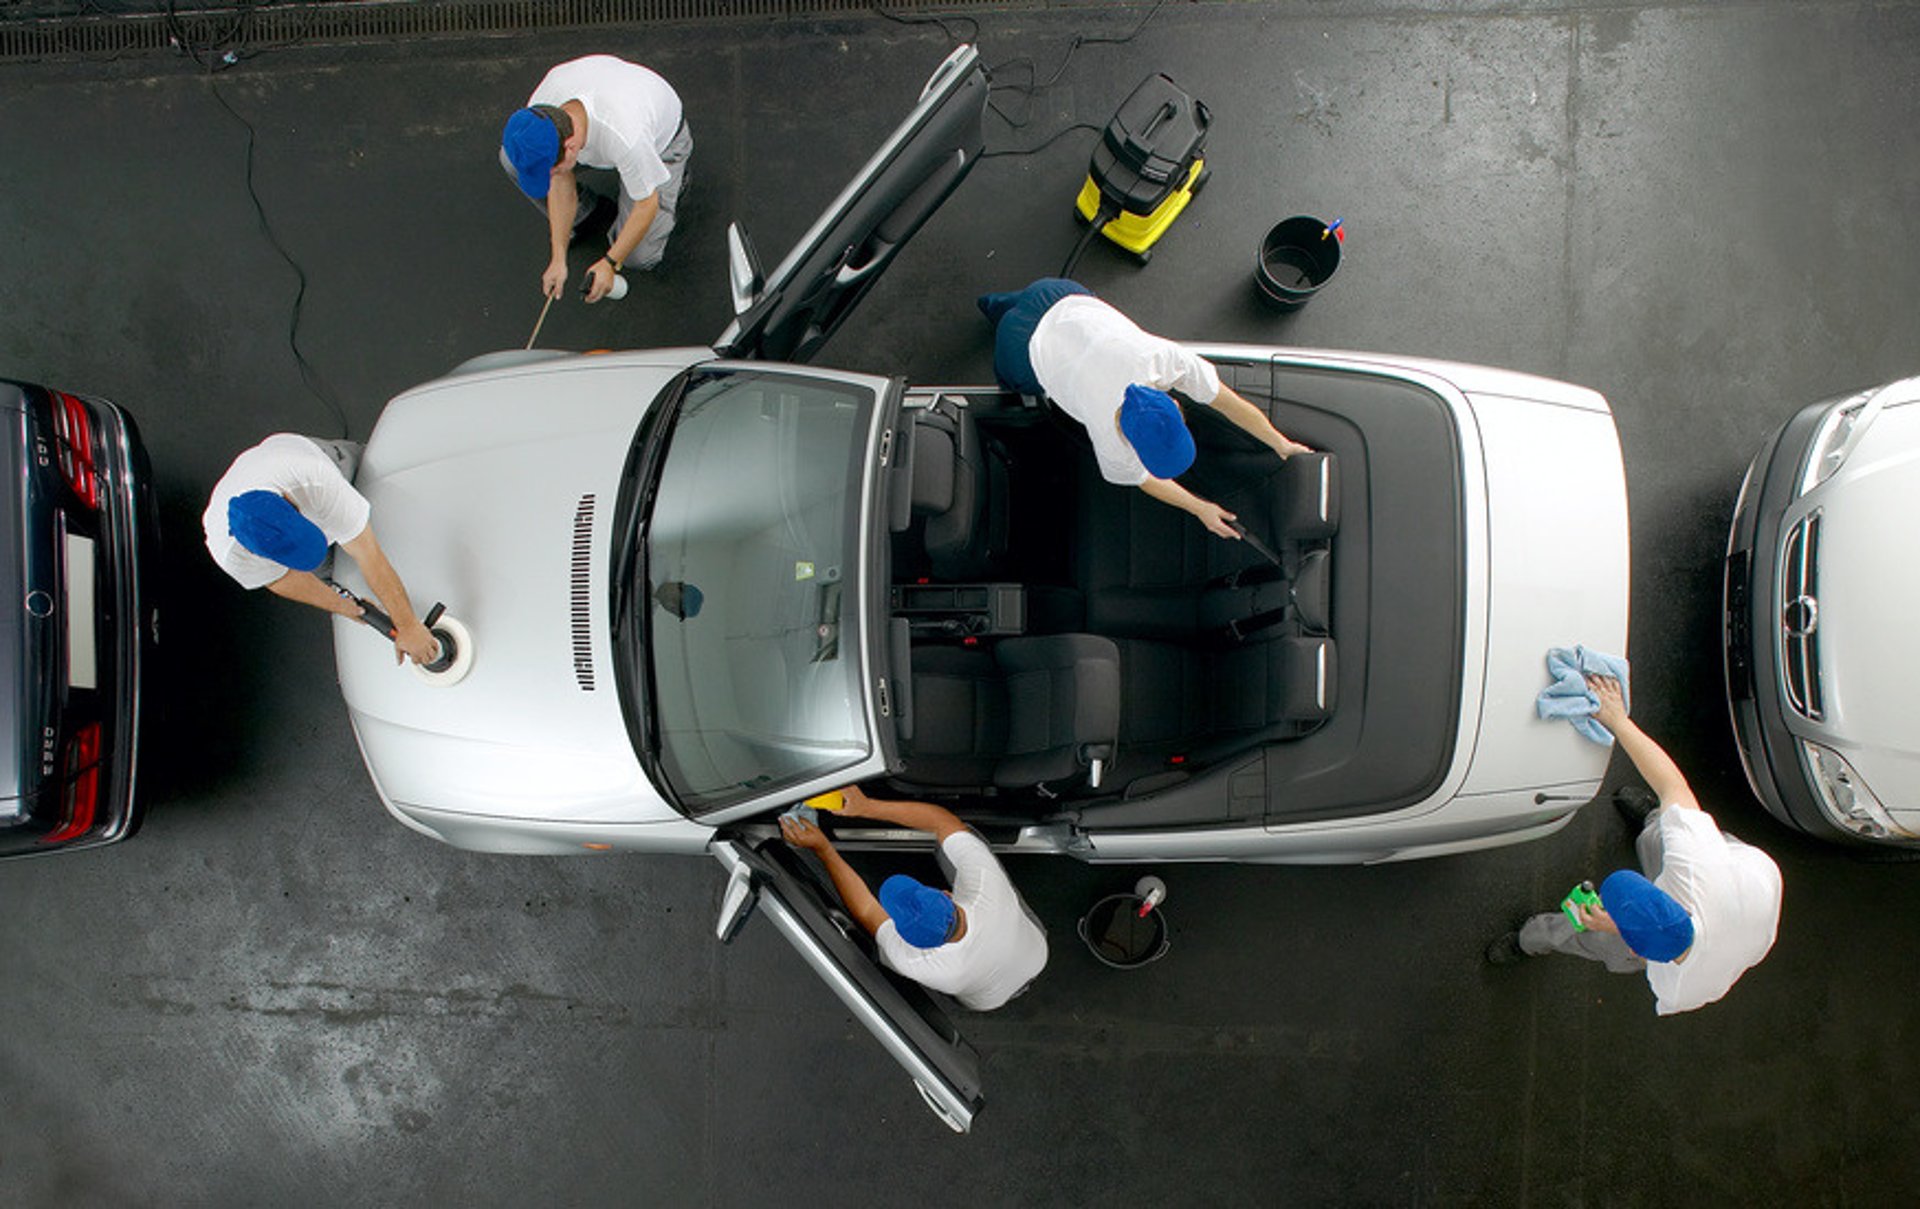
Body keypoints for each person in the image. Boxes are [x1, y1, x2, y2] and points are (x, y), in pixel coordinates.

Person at [1486, 675, 1784, 1015]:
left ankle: (1530, 940)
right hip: (1727, 870)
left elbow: (1644, 945)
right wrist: (1617, 719)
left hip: (1705, 923)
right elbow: (1672, 784)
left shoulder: (1678, 988)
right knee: (1668, 831)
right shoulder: (1696, 864)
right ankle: (1653, 821)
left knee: (1592, 934)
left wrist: (1609, 925)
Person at [978, 278, 1312, 539]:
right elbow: (1144, 479)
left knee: (1004, 304)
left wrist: (1278, 442)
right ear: (1177, 406)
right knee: (1009, 383)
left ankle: (988, 304)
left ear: (1177, 406)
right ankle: (994, 319)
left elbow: (1227, 402)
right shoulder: (1107, 434)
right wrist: (1200, 509)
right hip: (1024, 348)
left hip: (1058, 298)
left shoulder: (1162, 358)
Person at [779, 785, 1048, 1011]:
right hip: (1034, 952)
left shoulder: (916, 962)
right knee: (962, 838)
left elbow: (866, 910)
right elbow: (943, 821)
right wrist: (866, 806)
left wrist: (823, 849)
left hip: (993, 996)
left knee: (961, 844)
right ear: (947, 895)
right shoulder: (988, 888)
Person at [203, 434, 438, 665]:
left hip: (320, 465)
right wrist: (343, 606)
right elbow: (280, 580)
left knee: (379, 470)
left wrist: (408, 625)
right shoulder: (230, 554)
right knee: (337, 576)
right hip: (287, 517)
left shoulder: (313, 477)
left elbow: (368, 554)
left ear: (289, 502)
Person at [499, 55, 691, 303]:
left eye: (553, 170)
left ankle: (675, 179)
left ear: (570, 147)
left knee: (638, 257)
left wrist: (610, 264)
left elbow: (647, 204)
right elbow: (560, 181)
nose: (549, 178)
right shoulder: (539, 114)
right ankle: (588, 214)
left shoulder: (625, 136)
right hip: (608, 128)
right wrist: (558, 258)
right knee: (512, 160)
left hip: (660, 144)